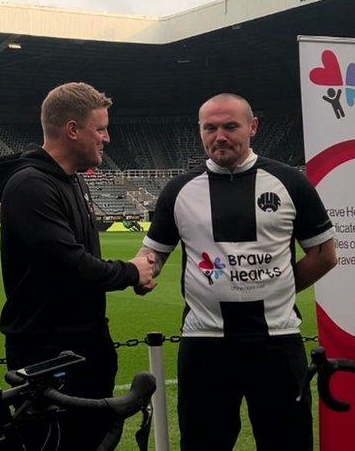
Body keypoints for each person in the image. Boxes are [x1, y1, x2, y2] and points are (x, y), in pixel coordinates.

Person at [137, 93, 336, 451]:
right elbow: (152, 256)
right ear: (200, 131)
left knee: (287, 443)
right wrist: (137, 272)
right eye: (210, 128)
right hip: (205, 344)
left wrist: (277, 289)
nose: (220, 136)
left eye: (231, 126)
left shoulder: (290, 182)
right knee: (203, 443)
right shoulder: (179, 190)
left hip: (277, 340)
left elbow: (324, 255)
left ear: (253, 127)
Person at [0, 82, 156, 450]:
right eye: (100, 128)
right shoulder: (30, 186)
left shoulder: (71, 179)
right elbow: (72, 265)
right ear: (72, 129)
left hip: (84, 343)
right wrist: (131, 272)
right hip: (47, 353)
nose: (108, 138)